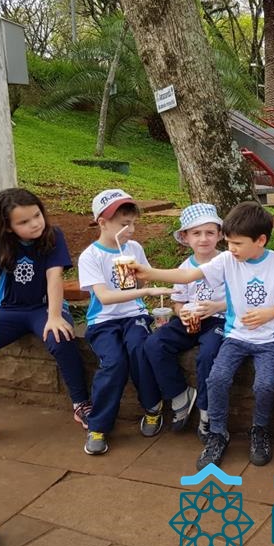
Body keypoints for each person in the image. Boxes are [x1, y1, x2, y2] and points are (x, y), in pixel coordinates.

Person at [132, 202, 274, 469]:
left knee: (264, 385)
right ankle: (217, 433)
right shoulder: (227, 260)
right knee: (217, 379)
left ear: (260, 240)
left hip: (269, 340)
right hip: (235, 336)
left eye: (237, 243)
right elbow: (188, 275)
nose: (231, 248)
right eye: (228, 242)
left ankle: (260, 430)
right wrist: (150, 273)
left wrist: (269, 313)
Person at [0, 188, 91, 446]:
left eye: (37, 215)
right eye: (24, 222)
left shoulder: (53, 235)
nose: (35, 224)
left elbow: (54, 276)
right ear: (7, 227)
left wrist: (54, 315)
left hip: (45, 308)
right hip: (10, 310)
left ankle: (81, 403)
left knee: (61, 337)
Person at [78, 189, 172, 455]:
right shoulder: (91, 256)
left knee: (139, 349)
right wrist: (146, 290)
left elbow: (144, 278)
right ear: (103, 223)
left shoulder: (134, 249)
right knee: (114, 362)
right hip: (103, 320)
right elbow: (105, 297)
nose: (131, 230)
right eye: (124, 224)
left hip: (134, 314)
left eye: (133, 223)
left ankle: (152, 407)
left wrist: (141, 279)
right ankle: (98, 426)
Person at [143, 204, 227, 441]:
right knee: (154, 343)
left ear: (220, 235)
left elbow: (240, 298)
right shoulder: (184, 268)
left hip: (219, 319)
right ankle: (180, 394)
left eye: (210, 232)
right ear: (185, 237)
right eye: (196, 233)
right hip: (191, 319)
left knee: (208, 354)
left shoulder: (227, 261)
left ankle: (207, 411)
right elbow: (178, 303)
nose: (203, 239)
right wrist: (183, 314)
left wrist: (218, 307)